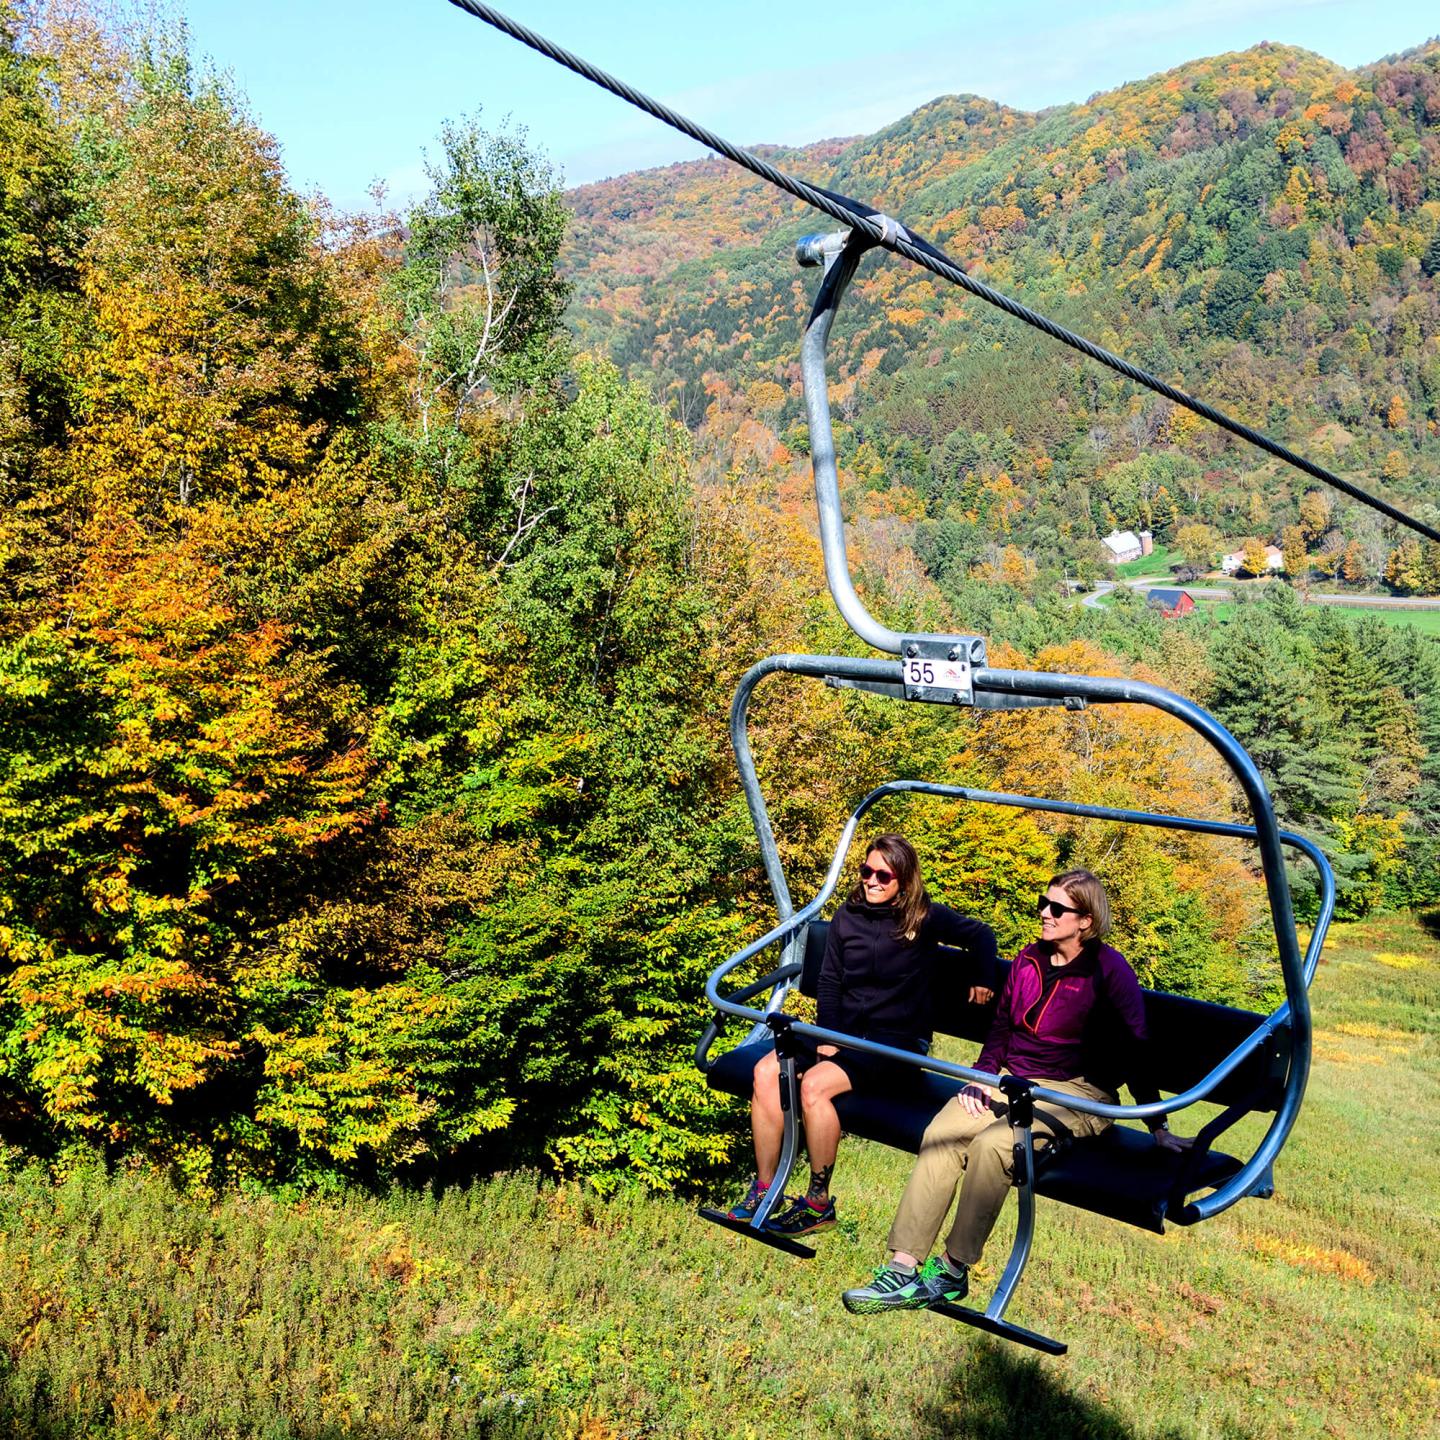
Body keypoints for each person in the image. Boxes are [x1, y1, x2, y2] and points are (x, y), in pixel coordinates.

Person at [841, 868, 1191, 1312]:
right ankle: (901, 1268)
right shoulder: (1028, 959)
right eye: (1043, 904)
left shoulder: (1108, 972)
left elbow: (1137, 1048)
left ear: (1085, 920)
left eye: (1057, 908)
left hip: (1079, 1092)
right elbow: (1002, 1026)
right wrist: (983, 1074)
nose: (1045, 913)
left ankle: (951, 1272)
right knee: (942, 1134)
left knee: (993, 1146)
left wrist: (1157, 1127)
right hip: (1013, 1079)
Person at [724, 833, 999, 1238]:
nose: (871, 881)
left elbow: (981, 935)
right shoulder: (846, 917)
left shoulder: (923, 918)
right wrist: (829, 1036)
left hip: (897, 1042)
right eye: (866, 871)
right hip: (846, 1032)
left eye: (882, 875)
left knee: (815, 1086)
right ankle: (766, 1187)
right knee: (767, 1071)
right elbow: (831, 981)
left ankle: (818, 1201)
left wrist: (982, 976)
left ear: (903, 881)